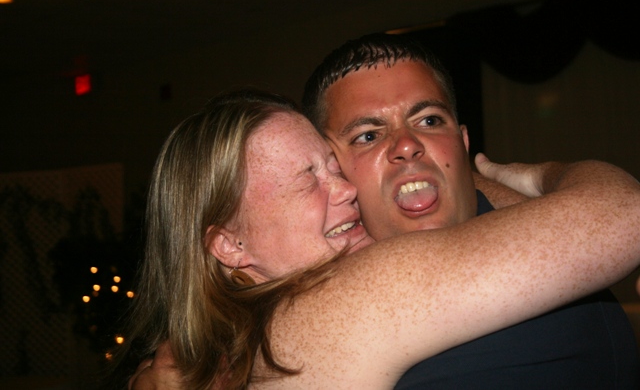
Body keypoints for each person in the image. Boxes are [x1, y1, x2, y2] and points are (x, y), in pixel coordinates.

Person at [115, 87, 640, 390]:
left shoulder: (238, 350)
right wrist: (533, 175)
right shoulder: (332, 305)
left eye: (334, 166)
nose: (347, 189)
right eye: (308, 180)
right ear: (229, 245)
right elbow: (624, 215)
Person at [300, 33, 640, 388]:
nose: (407, 144)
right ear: (332, 170)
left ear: (462, 143)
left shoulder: (562, 252)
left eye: (429, 120)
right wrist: (543, 177)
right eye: (368, 136)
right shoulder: (326, 307)